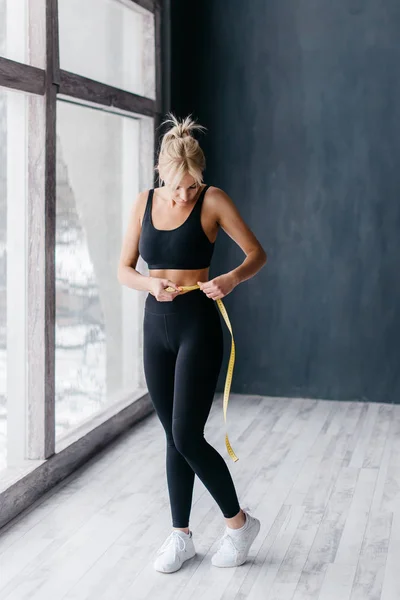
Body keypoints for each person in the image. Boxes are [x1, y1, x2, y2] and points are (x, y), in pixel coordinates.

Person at [117, 113, 267, 573]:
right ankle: (181, 535)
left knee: (186, 434)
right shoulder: (143, 201)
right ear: (162, 171)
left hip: (197, 326)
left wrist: (231, 279)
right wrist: (150, 286)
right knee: (172, 436)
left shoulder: (213, 200)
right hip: (155, 326)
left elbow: (257, 253)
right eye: (179, 185)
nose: (185, 194)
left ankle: (239, 525)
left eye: (192, 185)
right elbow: (125, 269)